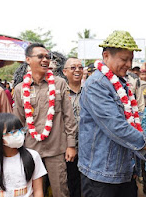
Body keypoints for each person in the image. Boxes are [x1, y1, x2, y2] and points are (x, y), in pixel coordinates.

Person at [78, 31, 146, 197]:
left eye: (131, 59)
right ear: (106, 56)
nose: (128, 64)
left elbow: (134, 121)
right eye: (124, 59)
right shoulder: (96, 85)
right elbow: (116, 127)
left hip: (124, 170)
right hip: (102, 174)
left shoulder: (121, 83)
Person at [13, 43, 77, 197]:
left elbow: (69, 116)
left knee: (60, 191)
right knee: (34, 191)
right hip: (30, 149)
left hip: (56, 149)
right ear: (28, 59)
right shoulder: (20, 89)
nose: (45, 60)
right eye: (40, 56)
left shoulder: (59, 83)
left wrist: (71, 145)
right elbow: (18, 122)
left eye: (47, 57)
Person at [0, 113, 47, 197]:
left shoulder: (33, 156)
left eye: (19, 130)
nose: (18, 134)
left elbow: (38, 191)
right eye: (12, 132)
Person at [62, 57, 83, 197]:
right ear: (65, 71)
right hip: (67, 147)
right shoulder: (59, 92)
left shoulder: (91, 91)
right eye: (73, 67)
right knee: (70, 182)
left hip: (87, 146)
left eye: (80, 67)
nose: (77, 70)